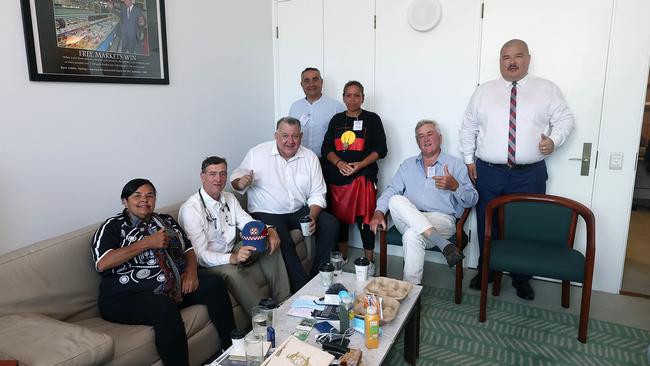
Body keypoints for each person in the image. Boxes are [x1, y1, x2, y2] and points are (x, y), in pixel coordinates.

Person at [459, 39, 575, 300]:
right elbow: (468, 127)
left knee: (525, 225)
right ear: (500, 61)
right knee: (487, 223)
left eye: (518, 56)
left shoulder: (547, 89)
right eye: (505, 57)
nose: (511, 62)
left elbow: (566, 120)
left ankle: (522, 277)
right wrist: (469, 159)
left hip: (529, 173)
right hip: (488, 171)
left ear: (528, 59)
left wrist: (553, 140)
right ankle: (486, 270)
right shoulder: (484, 91)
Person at [91, 179, 235, 366]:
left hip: (172, 286)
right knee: (164, 308)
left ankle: (232, 349)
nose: (144, 200)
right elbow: (103, 263)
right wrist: (146, 243)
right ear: (124, 201)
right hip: (124, 297)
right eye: (137, 196)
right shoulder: (112, 227)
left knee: (213, 284)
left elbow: (188, 249)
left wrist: (191, 274)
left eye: (150, 195)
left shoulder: (165, 220)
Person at [231, 117, 339, 293]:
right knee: (283, 239)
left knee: (330, 223)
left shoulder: (310, 157)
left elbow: (318, 193)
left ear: (301, 136)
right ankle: (304, 289)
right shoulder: (257, 153)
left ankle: (319, 276)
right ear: (276, 135)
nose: (290, 141)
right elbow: (235, 178)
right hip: (267, 211)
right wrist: (241, 182)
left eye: (295, 136)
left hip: (298, 210)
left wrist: (312, 215)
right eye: (285, 136)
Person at [369, 120, 478, 284]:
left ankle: (411, 293)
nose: (425, 139)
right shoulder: (407, 165)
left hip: (442, 220)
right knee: (396, 199)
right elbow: (391, 190)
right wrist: (378, 212)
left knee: (412, 235)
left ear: (440, 138)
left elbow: (472, 199)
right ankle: (445, 246)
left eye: (430, 134)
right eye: (420, 136)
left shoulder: (455, 165)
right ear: (417, 142)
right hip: (407, 217)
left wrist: (455, 187)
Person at [178, 156, 291, 314]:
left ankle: (285, 302)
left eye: (223, 174)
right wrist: (231, 258)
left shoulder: (229, 198)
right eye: (213, 174)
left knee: (266, 242)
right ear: (202, 176)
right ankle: (265, 317)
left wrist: (269, 229)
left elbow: (248, 223)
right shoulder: (191, 209)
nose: (218, 179)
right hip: (210, 263)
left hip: (232, 250)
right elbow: (199, 256)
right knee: (232, 271)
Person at [321, 80, 387, 274]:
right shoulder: (336, 120)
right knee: (338, 220)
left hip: (363, 177)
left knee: (365, 219)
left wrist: (360, 165)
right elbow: (326, 149)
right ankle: (342, 259)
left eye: (356, 95)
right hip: (337, 177)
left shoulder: (373, 119)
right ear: (343, 97)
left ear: (363, 98)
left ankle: (368, 262)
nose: (352, 99)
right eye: (348, 95)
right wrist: (340, 164)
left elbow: (381, 149)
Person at [289, 67, 346, 158]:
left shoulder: (336, 107)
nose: (311, 84)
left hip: (327, 160)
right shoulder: (295, 107)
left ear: (321, 82)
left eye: (315, 79)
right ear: (301, 84)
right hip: (300, 159)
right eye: (307, 80)